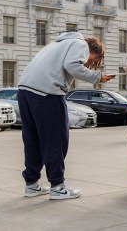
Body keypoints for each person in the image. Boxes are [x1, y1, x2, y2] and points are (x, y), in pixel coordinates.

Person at [18, 31, 114, 200]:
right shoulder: (80, 44)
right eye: (93, 59)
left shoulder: (56, 44)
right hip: (47, 92)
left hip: (25, 90)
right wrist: (97, 77)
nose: (90, 63)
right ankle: (57, 186)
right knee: (56, 140)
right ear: (94, 50)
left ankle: (31, 184)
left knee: (32, 139)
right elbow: (73, 66)